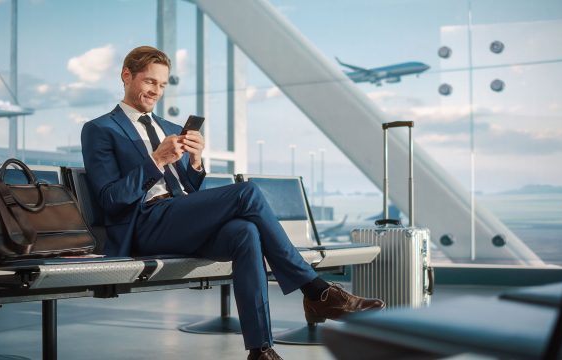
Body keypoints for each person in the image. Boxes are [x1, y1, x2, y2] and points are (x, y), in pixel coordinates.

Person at [81, 46, 385, 360]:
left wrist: (196, 163)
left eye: (162, 85)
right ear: (126, 76)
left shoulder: (170, 129)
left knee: (245, 233)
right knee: (246, 192)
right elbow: (110, 200)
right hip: (143, 225)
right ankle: (316, 290)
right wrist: (157, 160)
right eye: (149, 82)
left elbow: (186, 188)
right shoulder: (100, 129)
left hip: (180, 218)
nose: (156, 91)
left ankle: (261, 349)